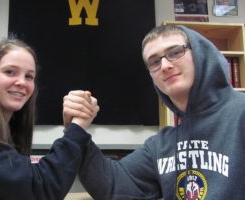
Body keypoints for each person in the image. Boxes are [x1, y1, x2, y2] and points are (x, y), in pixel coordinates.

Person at [63, 24, 245, 199]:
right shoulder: (163, 144)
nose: (165, 65)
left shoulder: (240, 113)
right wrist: (75, 130)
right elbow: (114, 186)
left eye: (175, 52)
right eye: (154, 61)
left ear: (200, 54)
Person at [0, 38, 99, 200]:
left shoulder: (5, 125)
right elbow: (39, 190)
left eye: (29, 76)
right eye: (10, 72)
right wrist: (78, 127)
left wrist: (71, 128)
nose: (21, 82)